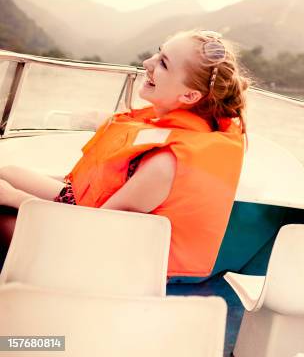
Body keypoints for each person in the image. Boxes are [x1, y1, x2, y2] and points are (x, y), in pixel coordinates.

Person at [0, 29, 248, 278]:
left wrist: (15, 197)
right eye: (158, 53)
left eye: (163, 63)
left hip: (107, 265)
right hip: (99, 231)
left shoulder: (165, 164)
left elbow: (92, 228)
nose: (147, 63)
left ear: (190, 95)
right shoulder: (181, 132)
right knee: (8, 173)